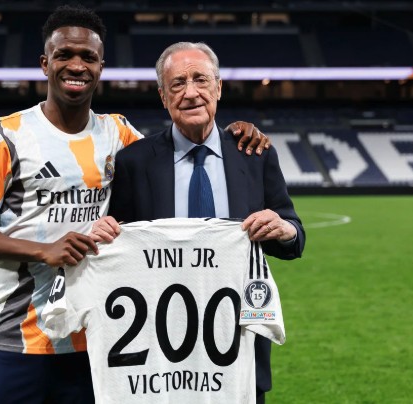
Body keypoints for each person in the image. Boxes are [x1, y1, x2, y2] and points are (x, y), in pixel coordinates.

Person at [0, 6, 270, 404]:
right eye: (64, 55)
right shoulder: (6, 135)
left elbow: (174, 151)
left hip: (99, 340)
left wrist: (231, 134)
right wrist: (44, 250)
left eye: (88, 57)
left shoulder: (118, 134)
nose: (77, 65)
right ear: (45, 63)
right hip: (16, 337)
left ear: (100, 67)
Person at [94, 42, 306, 404]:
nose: (190, 92)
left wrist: (284, 230)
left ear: (218, 88)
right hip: (159, 357)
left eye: (200, 80)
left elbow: (295, 237)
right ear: (163, 96)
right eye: (177, 84)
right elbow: (118, 248)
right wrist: (103, 234)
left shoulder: (254, 154)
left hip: (238, 352)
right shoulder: (134, 162)